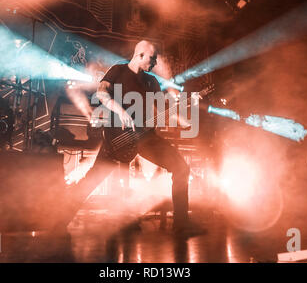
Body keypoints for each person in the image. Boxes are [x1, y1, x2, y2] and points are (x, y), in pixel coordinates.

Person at [61, 40, 205, 237]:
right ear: (140, 55)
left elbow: (163, 110)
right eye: (152, 59)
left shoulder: (151, 82)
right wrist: (120, 111)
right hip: (118, 138)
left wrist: (183, 116)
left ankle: (181, 224)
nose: (154, 63)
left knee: (181, 168)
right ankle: (58, 220)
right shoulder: (117, 71)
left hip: (146, 137)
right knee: (92, 180)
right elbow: (101, 93)